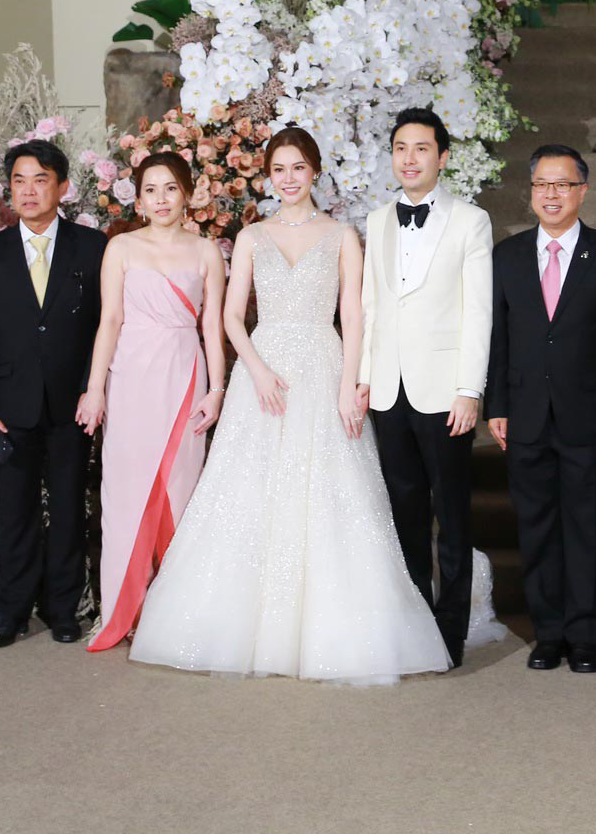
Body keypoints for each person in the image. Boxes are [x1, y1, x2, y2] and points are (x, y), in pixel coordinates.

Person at [130, 127, 449, 682]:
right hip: (266, 367)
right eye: (279, 169)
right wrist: (255, 370)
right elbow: (231, 316)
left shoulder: (343, 234)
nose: (289, 178)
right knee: (249, 491)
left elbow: (354, 316)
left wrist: (352, 385)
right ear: (267, 175)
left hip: (324, 366)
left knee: (328, 492)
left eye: (298, 167)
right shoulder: (252, 235)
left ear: (315, 171)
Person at [485, 144, 596, 675]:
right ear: (531, 193)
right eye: (541, 185)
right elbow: (498, 340)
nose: (551, 194)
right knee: (536, 526)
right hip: (525, 413)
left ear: (582, 192)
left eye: (562, 184)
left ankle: (585, 634)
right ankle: (547, 633)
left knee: (585, 524)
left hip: (589, 415)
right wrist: (497, 405)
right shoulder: (505, 257)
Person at [356, 107, 495, 667]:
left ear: (442, 157)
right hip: (389, 390)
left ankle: (451, 632)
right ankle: (414, 625)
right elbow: (369, 304)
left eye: (420, 148)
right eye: (400, 148)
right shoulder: (376, 219)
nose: (409, 158)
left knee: (452, 513)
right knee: (404, 510)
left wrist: (470, 389)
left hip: (444, 391)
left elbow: (478, 312)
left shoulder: (470, 220)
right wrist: (365, 378)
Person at [0, 139, 107, 648]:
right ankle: (13, 612)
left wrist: (96, 389)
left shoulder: (93, 248)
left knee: (68, 507)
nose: (28, 190)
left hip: (72, 403)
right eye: (19, 180)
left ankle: (64, 609)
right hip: (9, 404)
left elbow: (105, 329)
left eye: (40, 180)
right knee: (14, 510)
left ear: (62, 187)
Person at [78, 152, 227, 652]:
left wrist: (217, 389)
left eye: (170, 188)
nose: (160, 199)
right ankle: (122, 608)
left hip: (184, 375)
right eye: (150, 190)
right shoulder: (120, 248)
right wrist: (96, 388)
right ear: (137, 199)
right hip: (131, 378)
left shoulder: (206, 251)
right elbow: (110, 321)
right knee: (124, 493)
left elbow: (212, 326)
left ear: (187, 193)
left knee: (181, 490)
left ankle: (176, 609)